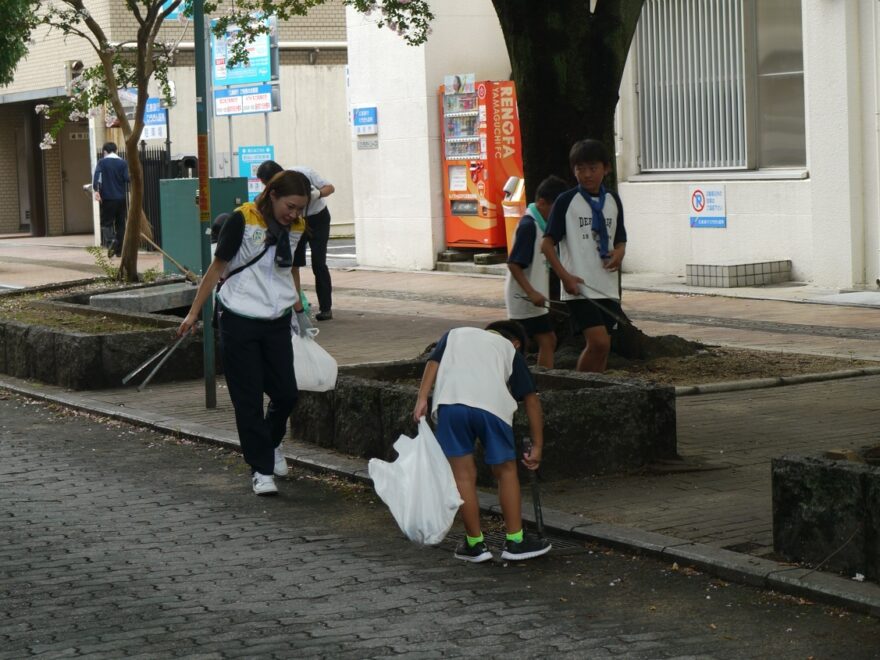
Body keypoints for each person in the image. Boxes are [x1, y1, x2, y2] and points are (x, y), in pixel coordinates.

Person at [177, 170, 310, 496]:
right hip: (239, 319)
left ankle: (270, 443)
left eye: (299, 209)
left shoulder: (297, 228)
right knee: (247, 398)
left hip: (277, 318)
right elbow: (217, 268)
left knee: (286, 393)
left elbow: (291, 267)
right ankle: (261, 469)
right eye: (290, 206)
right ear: (273, 194)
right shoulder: (242, 220)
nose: (293, 214)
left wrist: (299, 309)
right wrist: (194, 313)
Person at [412, 321, 551, 563]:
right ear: (516, 343)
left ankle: (475, 544)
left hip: (450, 405)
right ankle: (515, 541)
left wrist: (422, 397)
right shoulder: (509, 350)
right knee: (505, 471)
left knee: (463, 476)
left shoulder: (455, 334)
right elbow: (531, 400)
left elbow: (433, 362)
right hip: (492, 409)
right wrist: (537, 446)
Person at [541, 139, 627, 374]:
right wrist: (565, 277)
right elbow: (547, 245)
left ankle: (593, 391)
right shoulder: (566, 201)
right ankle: (578, 389)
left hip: (606, 285)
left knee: (603, 348)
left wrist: (619, 252)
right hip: (579, 287)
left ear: (606, 168)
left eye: (593, 168)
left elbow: (620, 238)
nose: (587, 175)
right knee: (598, 342)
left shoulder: (613, 200)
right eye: (580, 169)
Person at [256, 159, 336, 321]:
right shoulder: (274, 191)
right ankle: (294, 306)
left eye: (269, 182)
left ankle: (326, 308)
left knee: (318, 263)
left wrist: (318, 194)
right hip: (294, 223)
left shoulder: (303, 172)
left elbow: (330, 188)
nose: (268, 186)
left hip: (318, 219)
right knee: (293, 265)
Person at [504, 175, 569, 369]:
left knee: (542, 341)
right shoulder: (528, 227)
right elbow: (514, 264)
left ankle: (535, 382)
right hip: (523, 299)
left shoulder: (540, 226)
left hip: (531, 298)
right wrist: (531, 292)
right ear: (542, 202)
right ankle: (534, 384)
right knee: (542, 341)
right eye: (555, 209)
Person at [92, 142, 130, 258]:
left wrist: (96, 189)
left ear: (104, 152)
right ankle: (119, 251)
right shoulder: (123, 163)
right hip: (121, 198)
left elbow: (97, 177)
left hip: (108, 198)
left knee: (106, 222)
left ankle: (111, 241)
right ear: (116, 150)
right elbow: (127, 178)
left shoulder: (102, 163)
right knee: (120, 224)